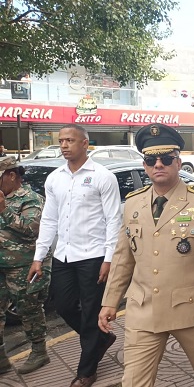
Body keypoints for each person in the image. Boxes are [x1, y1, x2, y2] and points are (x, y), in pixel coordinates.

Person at [99, 123, 194, 387]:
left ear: (178, 163)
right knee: (134, 380)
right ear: (145, 165)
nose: (158, 164)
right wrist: (110, 301)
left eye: (166, 158)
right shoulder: (133, 202)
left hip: (190, 308)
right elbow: (124, 256)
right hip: (143, 308)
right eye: (151, 159)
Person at [30, 124, 121, 387]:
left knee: (92, 312)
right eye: (61, 141)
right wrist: (39, 256)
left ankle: (86, 372)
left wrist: (108, 258)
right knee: (64, 306)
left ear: (85, 144)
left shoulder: (103, 176)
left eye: (70, 140)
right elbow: (49, 219)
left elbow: (113, 220)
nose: (64, 145)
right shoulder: (55, 178)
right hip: (64, 256)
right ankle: (99, 339)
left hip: (93, 256)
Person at [0, 157, 51, 375]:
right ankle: (1, 358)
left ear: (12, 175)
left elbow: (32, 229)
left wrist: (4, 210)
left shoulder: (31, 199)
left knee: (28, 309)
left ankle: (39, 351)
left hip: (22, 266)